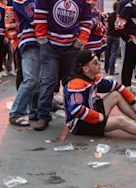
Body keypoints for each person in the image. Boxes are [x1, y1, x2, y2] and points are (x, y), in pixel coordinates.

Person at [34, 0, 93, 131]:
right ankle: (43, 116)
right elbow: (40, 15)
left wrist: (80, 41)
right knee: (48, 80)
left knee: (71, 82)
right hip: (50, 46)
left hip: (72, 48)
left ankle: (75, 115)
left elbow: (87, 20)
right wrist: (42, 38)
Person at [8, 0, 40, 126]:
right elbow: (34, 18)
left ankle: (34, 111)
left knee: (37, 80)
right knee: (31, 79)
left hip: (37, 40)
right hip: (29, 40)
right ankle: (16, 113)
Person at [115, 0, 136, 89]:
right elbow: (118, 24)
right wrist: (127, 38)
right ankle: (125, 86)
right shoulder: (129, 7)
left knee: (132, 64)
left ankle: (128, 85)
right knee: (128, 64)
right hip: (132, 39)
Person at [104, 1, 120, 75]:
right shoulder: (118, 16)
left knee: (107, 52)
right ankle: (112, 70)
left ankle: (106, 68)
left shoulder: (110, 15)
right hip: (116, 36)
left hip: (109, 35)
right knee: (113, 53)